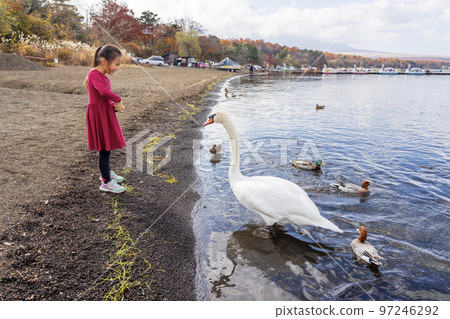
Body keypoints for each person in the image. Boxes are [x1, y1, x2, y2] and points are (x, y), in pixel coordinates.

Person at [85, 45, 126, 193]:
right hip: (98, 115)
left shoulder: (102, 76)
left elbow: (103, 97)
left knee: (107, 148)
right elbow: (103, 92)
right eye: (116, 64)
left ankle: (106, 172)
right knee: (104, 149)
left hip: (104, 113)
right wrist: (118, 98)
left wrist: (115, 105)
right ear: (104, 61)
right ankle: (106, 182)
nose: (117, 68)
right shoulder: (94, 74)